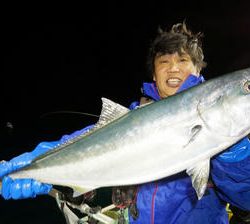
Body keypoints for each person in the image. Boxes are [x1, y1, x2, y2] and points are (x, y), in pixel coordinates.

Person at [0, 22, 250, 224]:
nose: (173, 69)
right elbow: (89, 139)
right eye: (164, 63)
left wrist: (237, 156)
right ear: (154, 74)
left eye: (183, 61)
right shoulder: (132, 116)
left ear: (198, 70)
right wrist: (32, 162)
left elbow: (246, 199)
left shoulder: (237, 141)